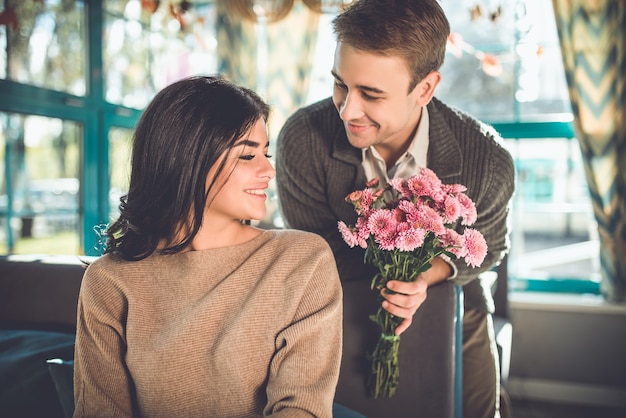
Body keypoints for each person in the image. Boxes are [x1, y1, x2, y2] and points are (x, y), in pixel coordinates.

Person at [275, 1, 515, 417]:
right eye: (339, 84)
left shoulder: (487, 159)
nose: (347, 110)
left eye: (370, 94)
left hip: (455, 304)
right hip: (337, 307)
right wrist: (394, 275)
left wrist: (428, 273)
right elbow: (314, 254)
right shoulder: (302, 140)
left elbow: (490, 246)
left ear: (425, 88)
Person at [73, 75, 343, 417]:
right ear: (187, 158)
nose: (268, 170)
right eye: (248, 156)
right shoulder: (109, 281)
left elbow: (302, 410)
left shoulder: (302, 260)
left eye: (266, 153)